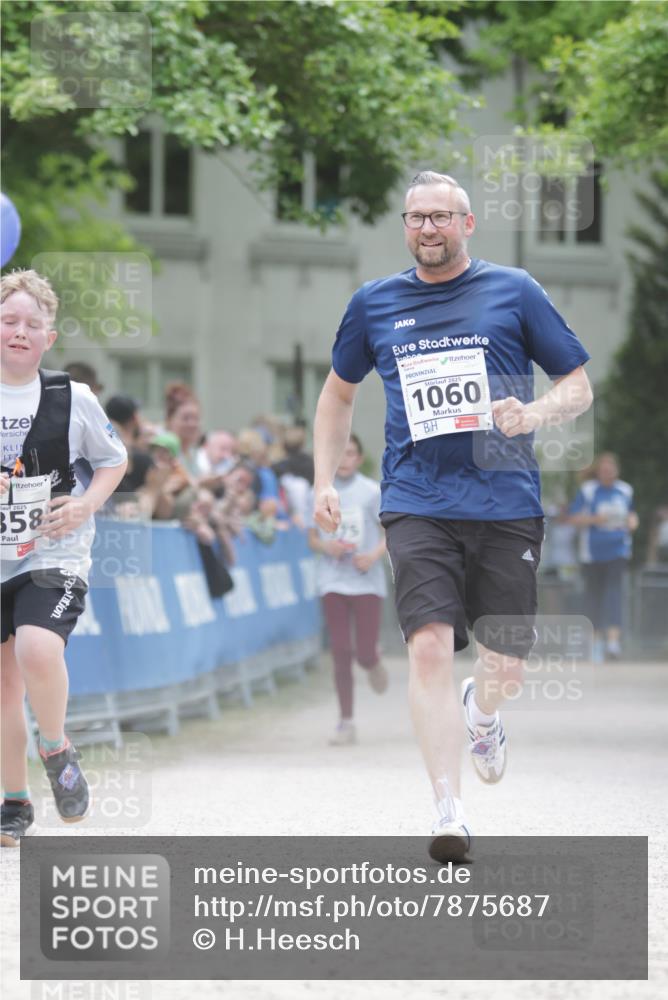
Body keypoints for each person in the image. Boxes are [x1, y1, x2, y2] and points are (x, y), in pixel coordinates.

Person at [312, 171, 593, 861]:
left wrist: (532, 413)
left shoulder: (515, 290)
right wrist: (323, 477)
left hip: (504, 501)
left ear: (468, 225)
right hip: (416, 500)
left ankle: (484, 714)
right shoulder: (374, 303)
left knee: (505, 666)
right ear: (404, 226)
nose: (428, 229)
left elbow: (578, 385)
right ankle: (448, 809)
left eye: (441, 217)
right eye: (416, 218)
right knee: (429, 646)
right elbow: (337, 395)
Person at [0, 269, 127, 846]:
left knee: (36, 647)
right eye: (9, 321)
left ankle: (54, 744)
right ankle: (13, 801)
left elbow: (113, 460)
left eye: (32, 324)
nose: (20, 332)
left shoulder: (71, 396)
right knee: (4, 684)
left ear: (49, 338)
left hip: (54, 549)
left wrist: (85, 505)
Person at [308, 434, 388, 746]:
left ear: (359, 457)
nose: (344, 460)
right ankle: (346, 721)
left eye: (350, 453)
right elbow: (311, 538)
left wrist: (373, 556)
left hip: (366, 580)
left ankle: (373, 661)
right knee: (341, 651)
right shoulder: (320, 493)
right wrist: (325, 546)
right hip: (333, 580)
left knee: (363, 653)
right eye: (339, 453)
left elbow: (390, 533)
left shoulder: (371, 492)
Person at [568, 452, 638, 661]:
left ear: (617, 471)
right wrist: (593, 519)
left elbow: (631, 513)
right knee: (593, 597)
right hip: (592, 553)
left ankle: (613, 643)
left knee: (615, 595)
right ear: (598, 472)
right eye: (604, 470)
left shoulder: (625, 490)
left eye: (611, 469)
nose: (608, 473)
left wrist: (633, 522)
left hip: (618, 550)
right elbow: (572, 518)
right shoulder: (588, 490)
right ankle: (595, 644)